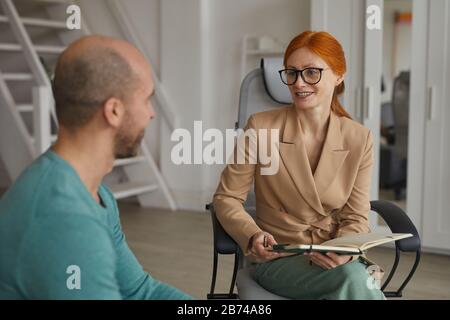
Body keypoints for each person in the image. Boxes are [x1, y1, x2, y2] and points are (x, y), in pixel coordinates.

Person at [0, 35, 192, 300]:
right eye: (147, 99)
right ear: (113, 111)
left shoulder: (96, 194)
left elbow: (139, 292)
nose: (151, 113)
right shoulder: (64, 218)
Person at [213, 31, 385, 300]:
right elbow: (227, 198)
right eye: (291, 73)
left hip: (333, 257)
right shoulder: (261, 127)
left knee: (353, 278)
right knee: (356, 282)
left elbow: (356, 217)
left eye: (311, 72)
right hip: (279, 257)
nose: (298, 82)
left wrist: (344, 251)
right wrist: (252, 236)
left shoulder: (359, 138)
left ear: (339, 75)